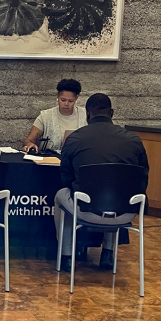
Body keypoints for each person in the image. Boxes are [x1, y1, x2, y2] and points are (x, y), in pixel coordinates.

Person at [55, 93, 149, 272]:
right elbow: (143, 178)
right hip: (126, 212)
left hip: (86, 210)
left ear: (87, 113)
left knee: (62, 195)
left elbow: (65, 178)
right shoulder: (134, 140)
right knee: (114, 192)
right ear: (112, 113)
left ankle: (66, 256)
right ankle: (107, 253)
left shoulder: (75, 138)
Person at [23, 79, 87, 153]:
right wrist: (30, 144)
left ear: (76, 98)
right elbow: (28, 140)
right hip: (49, 160)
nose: (66, 104)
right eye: (63, 100)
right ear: (57, 96)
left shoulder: (85, 115)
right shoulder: (45, 116)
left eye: (70, 101)